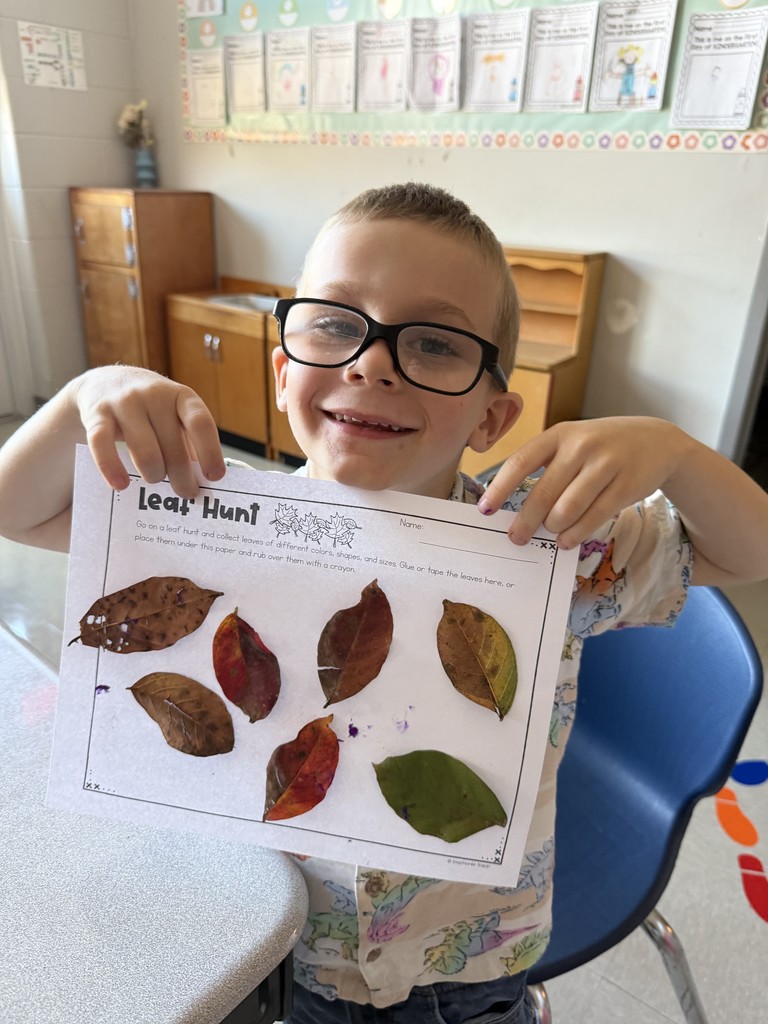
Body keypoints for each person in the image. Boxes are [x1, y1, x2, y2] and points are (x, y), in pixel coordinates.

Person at [1, 182, 767, 1024]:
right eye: (334, 324)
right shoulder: (208, 521)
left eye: (435, 344)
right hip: (265, 944)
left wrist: (678, 453)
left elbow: (749, 547)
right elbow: (16, 507)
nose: (371, 362)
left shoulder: (554, 539)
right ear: (284, 366)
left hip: (465, 966)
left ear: (492, 413)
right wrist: (87, 393)